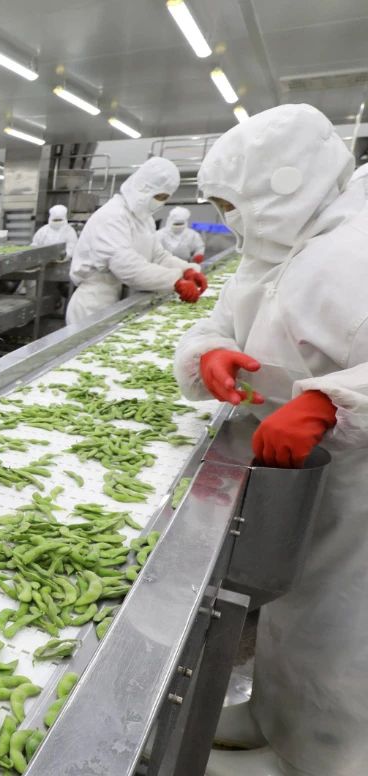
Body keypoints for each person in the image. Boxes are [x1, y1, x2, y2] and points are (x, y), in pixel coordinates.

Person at [174, 104, 368, 776]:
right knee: (292, 603)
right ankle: (275, 720)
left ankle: (327, 757)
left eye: (234, 205)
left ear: (281, 186)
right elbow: (220, 320)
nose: (229, 220)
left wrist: (329, 401)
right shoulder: (274, 248)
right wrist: (209, 352)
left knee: (344, 621)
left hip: (360, 479)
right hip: (294, 469)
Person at [66, 157, 207, 326]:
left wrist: (187, 270)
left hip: (123, 300)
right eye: (158, 196)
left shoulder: (144, 219)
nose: (160, 202)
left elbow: (158, 256)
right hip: (94, 304)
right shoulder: (113, 216)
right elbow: (126, 266)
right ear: (144, 188)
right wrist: (175, 281)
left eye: (164, 198)